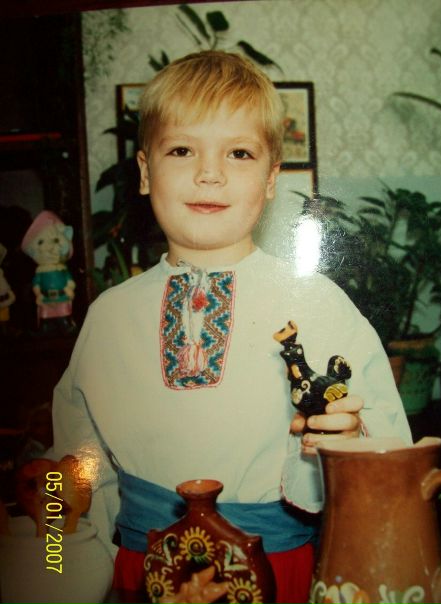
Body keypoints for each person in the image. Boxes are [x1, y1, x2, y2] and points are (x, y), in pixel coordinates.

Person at [49, 50, 412, 604]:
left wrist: (345, 445)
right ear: (145, 172)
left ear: (270, 180)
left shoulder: (320, 305)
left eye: (238, 153)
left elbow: (391, 464)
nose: (209, 173)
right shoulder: (109, 317)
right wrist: (55, 538)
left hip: (279, 574)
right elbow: (75, 472)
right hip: (143, 577)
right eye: (181, 150)